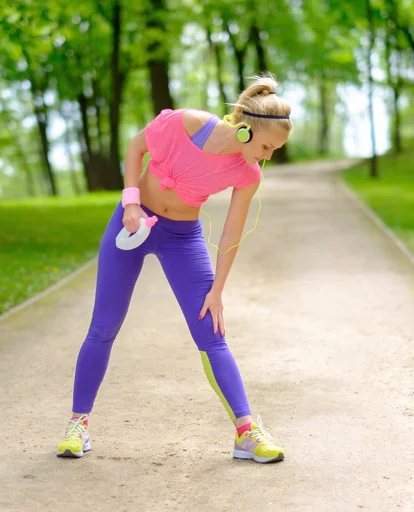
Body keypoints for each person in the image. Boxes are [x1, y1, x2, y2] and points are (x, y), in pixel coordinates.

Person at [56, 73, 291, 464]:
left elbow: (232, 232)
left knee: (211, 329)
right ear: (248, 130)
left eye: (275, 151)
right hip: (131, 223)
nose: (267, 156)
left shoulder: (248, 171)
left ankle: (247, 433)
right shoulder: (187, 123)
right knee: (104, 326)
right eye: (267, 146)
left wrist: (217, 290)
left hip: (182, 237)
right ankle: (77, 425)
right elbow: (135, 150)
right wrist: (131, 203)